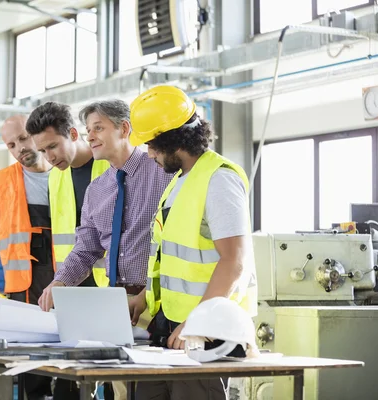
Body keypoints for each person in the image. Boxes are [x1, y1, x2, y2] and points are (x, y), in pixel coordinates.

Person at [127, 85, 258, 400]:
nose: (150, 154)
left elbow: (233, 261)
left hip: (206, 333)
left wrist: (196, 325)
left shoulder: (219, 179)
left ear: (172, 141)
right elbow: (174, 259)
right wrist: (145, 298)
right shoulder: (179, 182)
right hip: (172, 327)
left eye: (152, 146)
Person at [37, 100, 173, 311]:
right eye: (88, 130)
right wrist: (60, 282)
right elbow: (86, 249)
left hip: (161, 299)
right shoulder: (96, 190)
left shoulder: (163, 172)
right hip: (116, 301)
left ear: (124, 129)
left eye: (98, 128)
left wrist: (149, 292)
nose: (90, 137)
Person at [0, 115, 54, 399]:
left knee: (73, 376)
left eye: (22, 138)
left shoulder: (67, 173)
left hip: (71, 286)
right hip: (24, 294)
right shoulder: (2, 182)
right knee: (32, 379)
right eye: (11, 145)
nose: (19, 148)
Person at [26, 101, 110, 288]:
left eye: (53, 146)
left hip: (110, 282)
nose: (49, 157)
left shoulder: (110, 165)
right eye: (42, 151)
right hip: (71, 282)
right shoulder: (55, 176)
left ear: (73, 134)